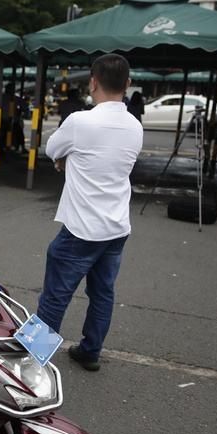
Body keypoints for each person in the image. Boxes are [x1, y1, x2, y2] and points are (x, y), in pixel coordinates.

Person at [36, 54, 143, 372]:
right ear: (127, 84)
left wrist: (65, 162)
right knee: (102, 293)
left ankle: (33, 362)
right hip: (117, 227)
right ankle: (90, 349)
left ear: (93, 81)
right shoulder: (135, 126)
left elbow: (52, 150)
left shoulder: (80, 122)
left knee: (55, 295)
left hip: (82, 229)